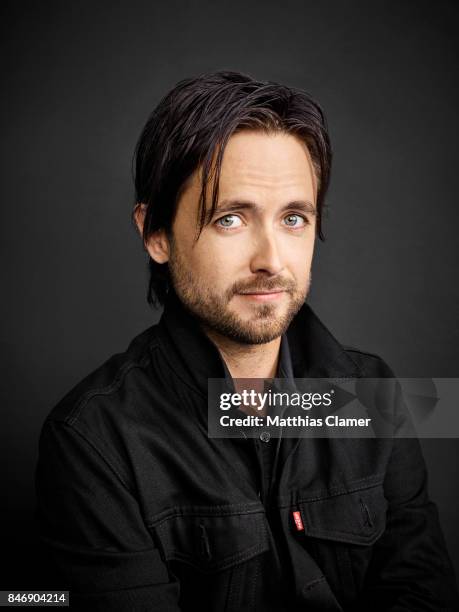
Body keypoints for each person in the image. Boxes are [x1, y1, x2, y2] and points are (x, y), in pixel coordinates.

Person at [35, 71, 459, 611]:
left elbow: (423, 594)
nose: (271, 260)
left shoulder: (372, 395)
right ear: (155, 234)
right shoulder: (93, 440)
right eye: (230, 218)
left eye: (294, 218)